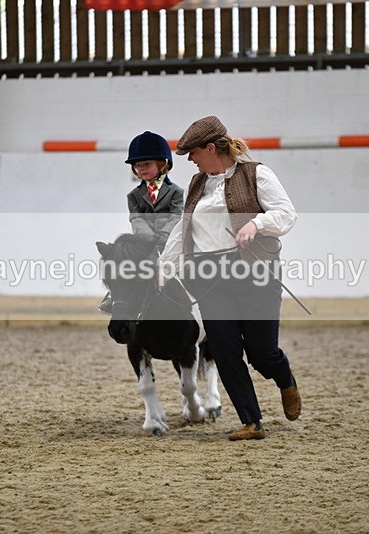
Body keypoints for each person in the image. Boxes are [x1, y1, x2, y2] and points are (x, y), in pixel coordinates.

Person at [158, 116, 301, 440]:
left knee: (262, 354)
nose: (191, 160)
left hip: (254, 273)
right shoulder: (197, 184)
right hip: (209, 277)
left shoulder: (256, 174)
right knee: (224, 350)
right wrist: (165, 267)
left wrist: (256, 224)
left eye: (193, 153)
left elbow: (286, 214)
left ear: (211, 148)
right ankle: (252, 421)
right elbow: (183, 229)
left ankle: (285, 379)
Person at [99, 131, 184, 314]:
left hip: (171, 241)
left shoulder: (176, 192)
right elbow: (136, 219)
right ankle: (115, 296)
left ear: (163, 164)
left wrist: (162, 238)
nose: (141, 169)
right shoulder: (134, 196)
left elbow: (176, 217)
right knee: (124, 265)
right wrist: (148, 242)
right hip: (145, 245)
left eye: (146, 164)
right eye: (138, 166)